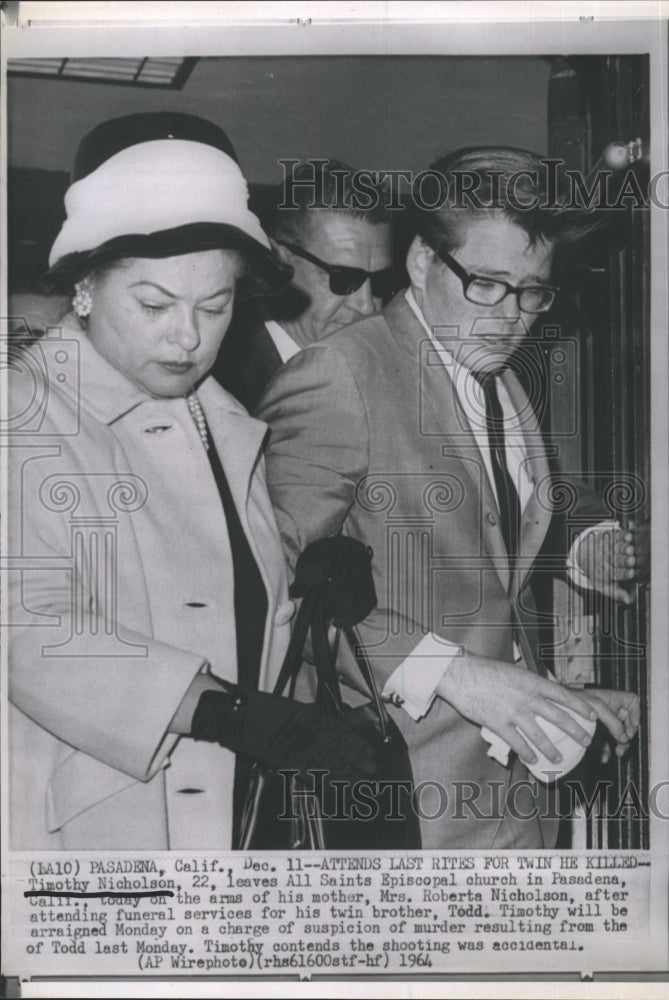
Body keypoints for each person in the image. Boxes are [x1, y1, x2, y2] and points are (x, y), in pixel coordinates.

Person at [7, 112, 376, 851]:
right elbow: (27, 628)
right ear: (83, 288)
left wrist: (307, 580)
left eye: (215, 306)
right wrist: (221, 712)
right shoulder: (23, 411)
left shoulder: (223, 420)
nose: (187, 336)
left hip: (230, 814)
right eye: (153, 305)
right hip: (91, 826)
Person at [257, 146, 644, 850]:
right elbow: (278, 584)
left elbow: (489, 593)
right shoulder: (341, 372)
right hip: (396, 801)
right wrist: (457, 675)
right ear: (422, 264)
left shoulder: (500, 383)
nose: (511, 316)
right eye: (487, 284)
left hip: (515, 799)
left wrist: (555, 700)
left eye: (533, 291)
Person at [215, 160, 392, 411]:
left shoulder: (386, 377)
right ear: (279, 261)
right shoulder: (223, 387)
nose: (367, 306)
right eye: (343, 279)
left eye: (381, 282)